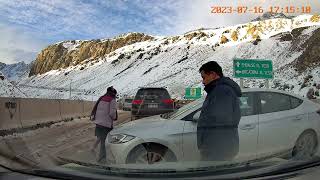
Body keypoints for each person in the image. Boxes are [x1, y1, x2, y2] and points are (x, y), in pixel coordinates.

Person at [197, 61, 242, 161]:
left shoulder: (221, 91)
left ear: (213, 74)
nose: (203, 82)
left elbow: (220, 122)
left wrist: (208, 148)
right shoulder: (217, 90)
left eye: (204, 77)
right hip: (219, 148)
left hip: (217, 150)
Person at [90, 86, 118, 163]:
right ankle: (102, 159)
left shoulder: (102, 98)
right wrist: (115, 117)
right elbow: (112, 113)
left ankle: (93, 148)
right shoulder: (112, 100)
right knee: (105, 142)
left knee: (101, 137)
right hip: (106, 124)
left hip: (98, 123)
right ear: (114, 93)